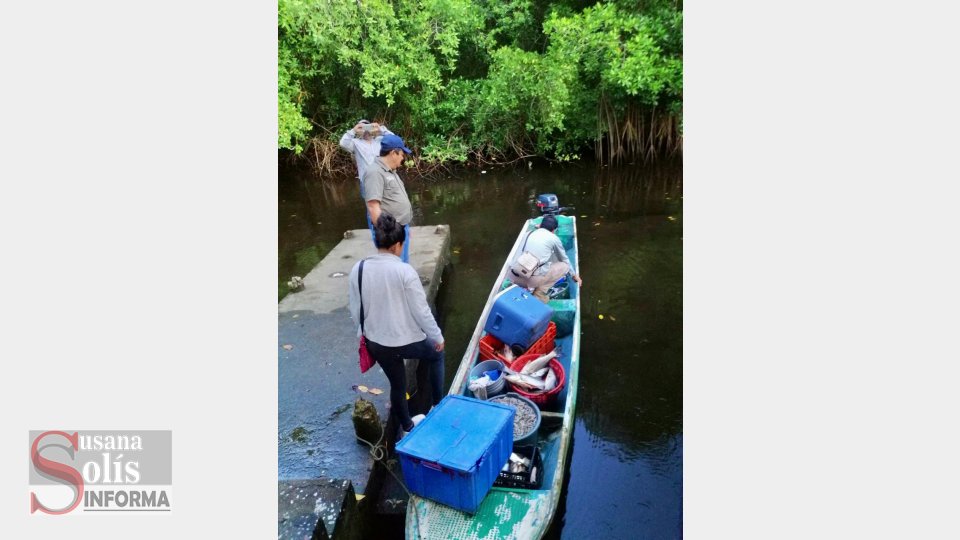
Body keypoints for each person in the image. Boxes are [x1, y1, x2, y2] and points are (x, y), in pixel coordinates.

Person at [348, 213, 445, 439]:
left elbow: (355, 309)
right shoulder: (404, 271)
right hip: (406, 340)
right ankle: (438, 405)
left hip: (376, 343)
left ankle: (407, 427)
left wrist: (364, 334)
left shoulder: (358, 269)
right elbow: (421, 311)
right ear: (397, 245)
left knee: (398, 385)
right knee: (437, 355)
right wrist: (437, 337)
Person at [362, 134, 414, 263]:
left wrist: (405, 228)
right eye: (402, 154)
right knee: (394, 265)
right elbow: (373, 206)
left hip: (401, 227)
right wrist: (388, 236)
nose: (403, 159)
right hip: (391, 232)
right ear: (393, 153)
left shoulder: (390, 171)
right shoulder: (375, 172)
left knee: (402, 263)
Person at [507, 214, 583, 302]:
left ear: (540, 226)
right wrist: (574, 275)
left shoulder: (528, 234)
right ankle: (538, 294)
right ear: (553, 230)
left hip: (512, 276)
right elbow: (564, 259)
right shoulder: (554, 238)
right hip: (530, 281)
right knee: (565, 266)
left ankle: (522, 289)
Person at [338, 119, 394, 194]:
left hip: (382, 178)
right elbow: (342, 143)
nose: (365, 129)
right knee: (371, 205)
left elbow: (394, 140)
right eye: (362, 127)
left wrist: (380, 129)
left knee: (387, 203)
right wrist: (353, 130)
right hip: (366, 181)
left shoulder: (379, 140)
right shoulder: (355, 143)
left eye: (367, 126)